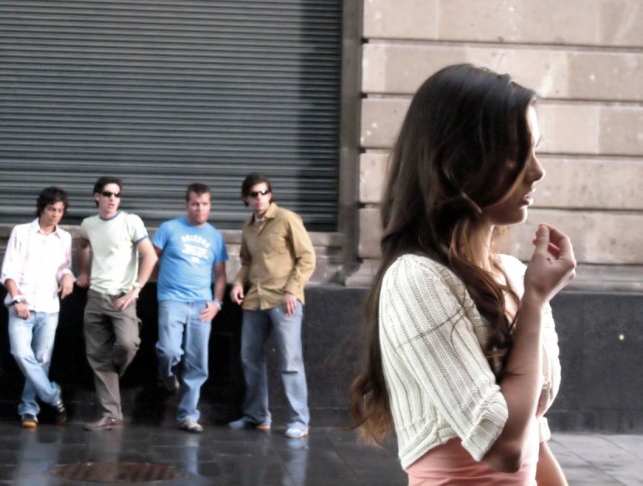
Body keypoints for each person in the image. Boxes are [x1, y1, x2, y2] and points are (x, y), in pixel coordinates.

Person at [349, 64, 576, 485]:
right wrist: (534, 303)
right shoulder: (416, 280)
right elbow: (505, 449)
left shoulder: (513, 274)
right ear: (458, 160)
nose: (536, 171)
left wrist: (532, 298)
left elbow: (534, 436)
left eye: (536, 150)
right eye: (517, 153)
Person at [228, 173, 316, 439]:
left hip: (283, 300)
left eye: (264, 193)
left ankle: (300, 420)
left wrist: (293, 289)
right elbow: (246, 262)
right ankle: (257, 416)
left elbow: (307, 258)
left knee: (290, 361)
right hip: (255, 299)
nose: (259, 198)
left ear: (270, 194)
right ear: (245, 198)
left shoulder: (287, 219)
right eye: (254, 194)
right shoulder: (248, 227)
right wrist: (238, 283)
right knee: (249, 358)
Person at [76, 176, 158, 431]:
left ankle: (109, 373)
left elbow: (150, 256)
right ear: (97, 196)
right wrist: (83, 271)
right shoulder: (88, 224)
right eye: (107, 194)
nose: (113, 199)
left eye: (117, 195)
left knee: (127, 343)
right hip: (95, 297)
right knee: (98, 357)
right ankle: (111, 415)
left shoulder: (131, 222)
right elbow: (82, 244)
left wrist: (136, 290)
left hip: (122, 298)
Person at [152, 183, 228, 433]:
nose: (199, 208)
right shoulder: (169, 228)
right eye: (195, 204)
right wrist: (154, 282)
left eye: (204, 204)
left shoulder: (215, 236)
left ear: (210, 206)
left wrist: (217, 304)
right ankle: (166, 375)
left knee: (197, 363)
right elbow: (150, 258)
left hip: (201, 305)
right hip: (172, 299)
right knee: (168, 350)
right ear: (187, 205)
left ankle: (188, 415)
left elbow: (220, 275)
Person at [0, 186, 74, 429]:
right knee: (21, 353)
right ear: (42, 208)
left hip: (49, 307)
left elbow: (64, 267)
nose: (55, 215)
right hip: (22, 306)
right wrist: (17, 299)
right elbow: (8, 271)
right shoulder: (21, 232)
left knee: (42, 361)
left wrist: (67, 276)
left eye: (60, 210)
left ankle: (29, 409)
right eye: (51, 209)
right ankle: (53, 396)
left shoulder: (64, 238)